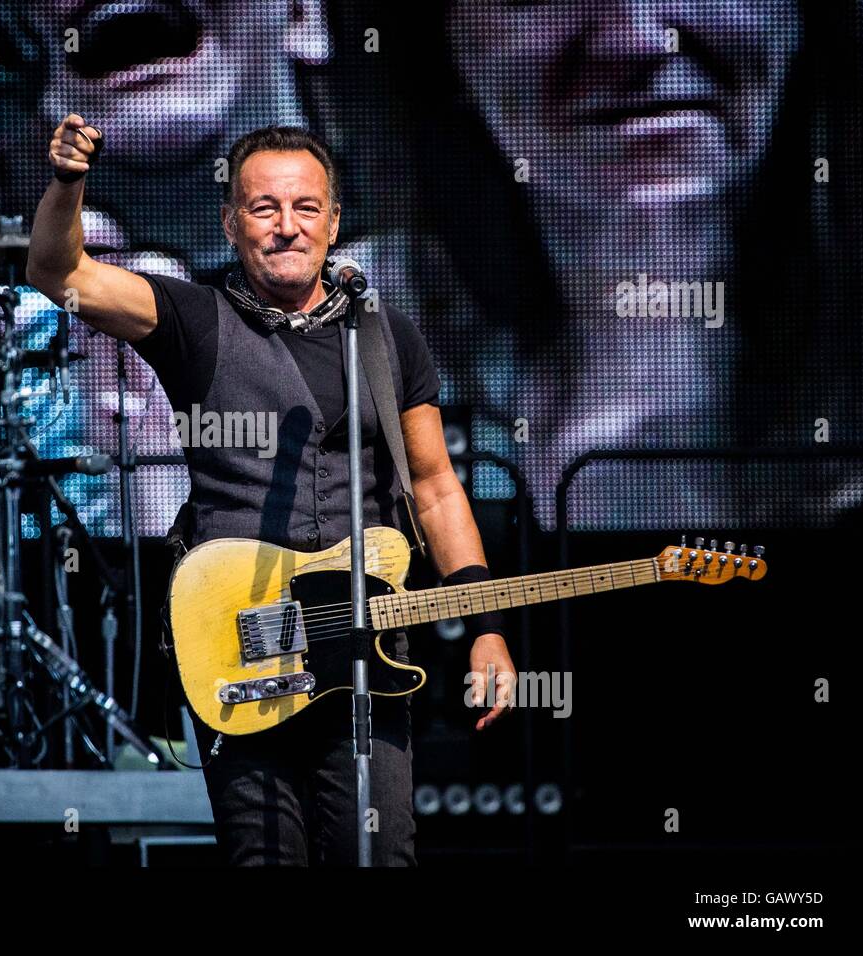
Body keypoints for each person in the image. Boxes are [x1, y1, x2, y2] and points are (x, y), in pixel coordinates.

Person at [27, 116, 517, 866]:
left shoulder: (385, 335)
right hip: (242, 640)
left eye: (305, 208)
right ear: (232, 222)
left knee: (381, 853)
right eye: (265, 208)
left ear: (334, 221)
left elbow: (436, 488)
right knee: (265, 855)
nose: (287, 227)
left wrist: (486, 625)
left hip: (365, 648)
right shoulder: (191, 316)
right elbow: (61, 276)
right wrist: (68, 182)